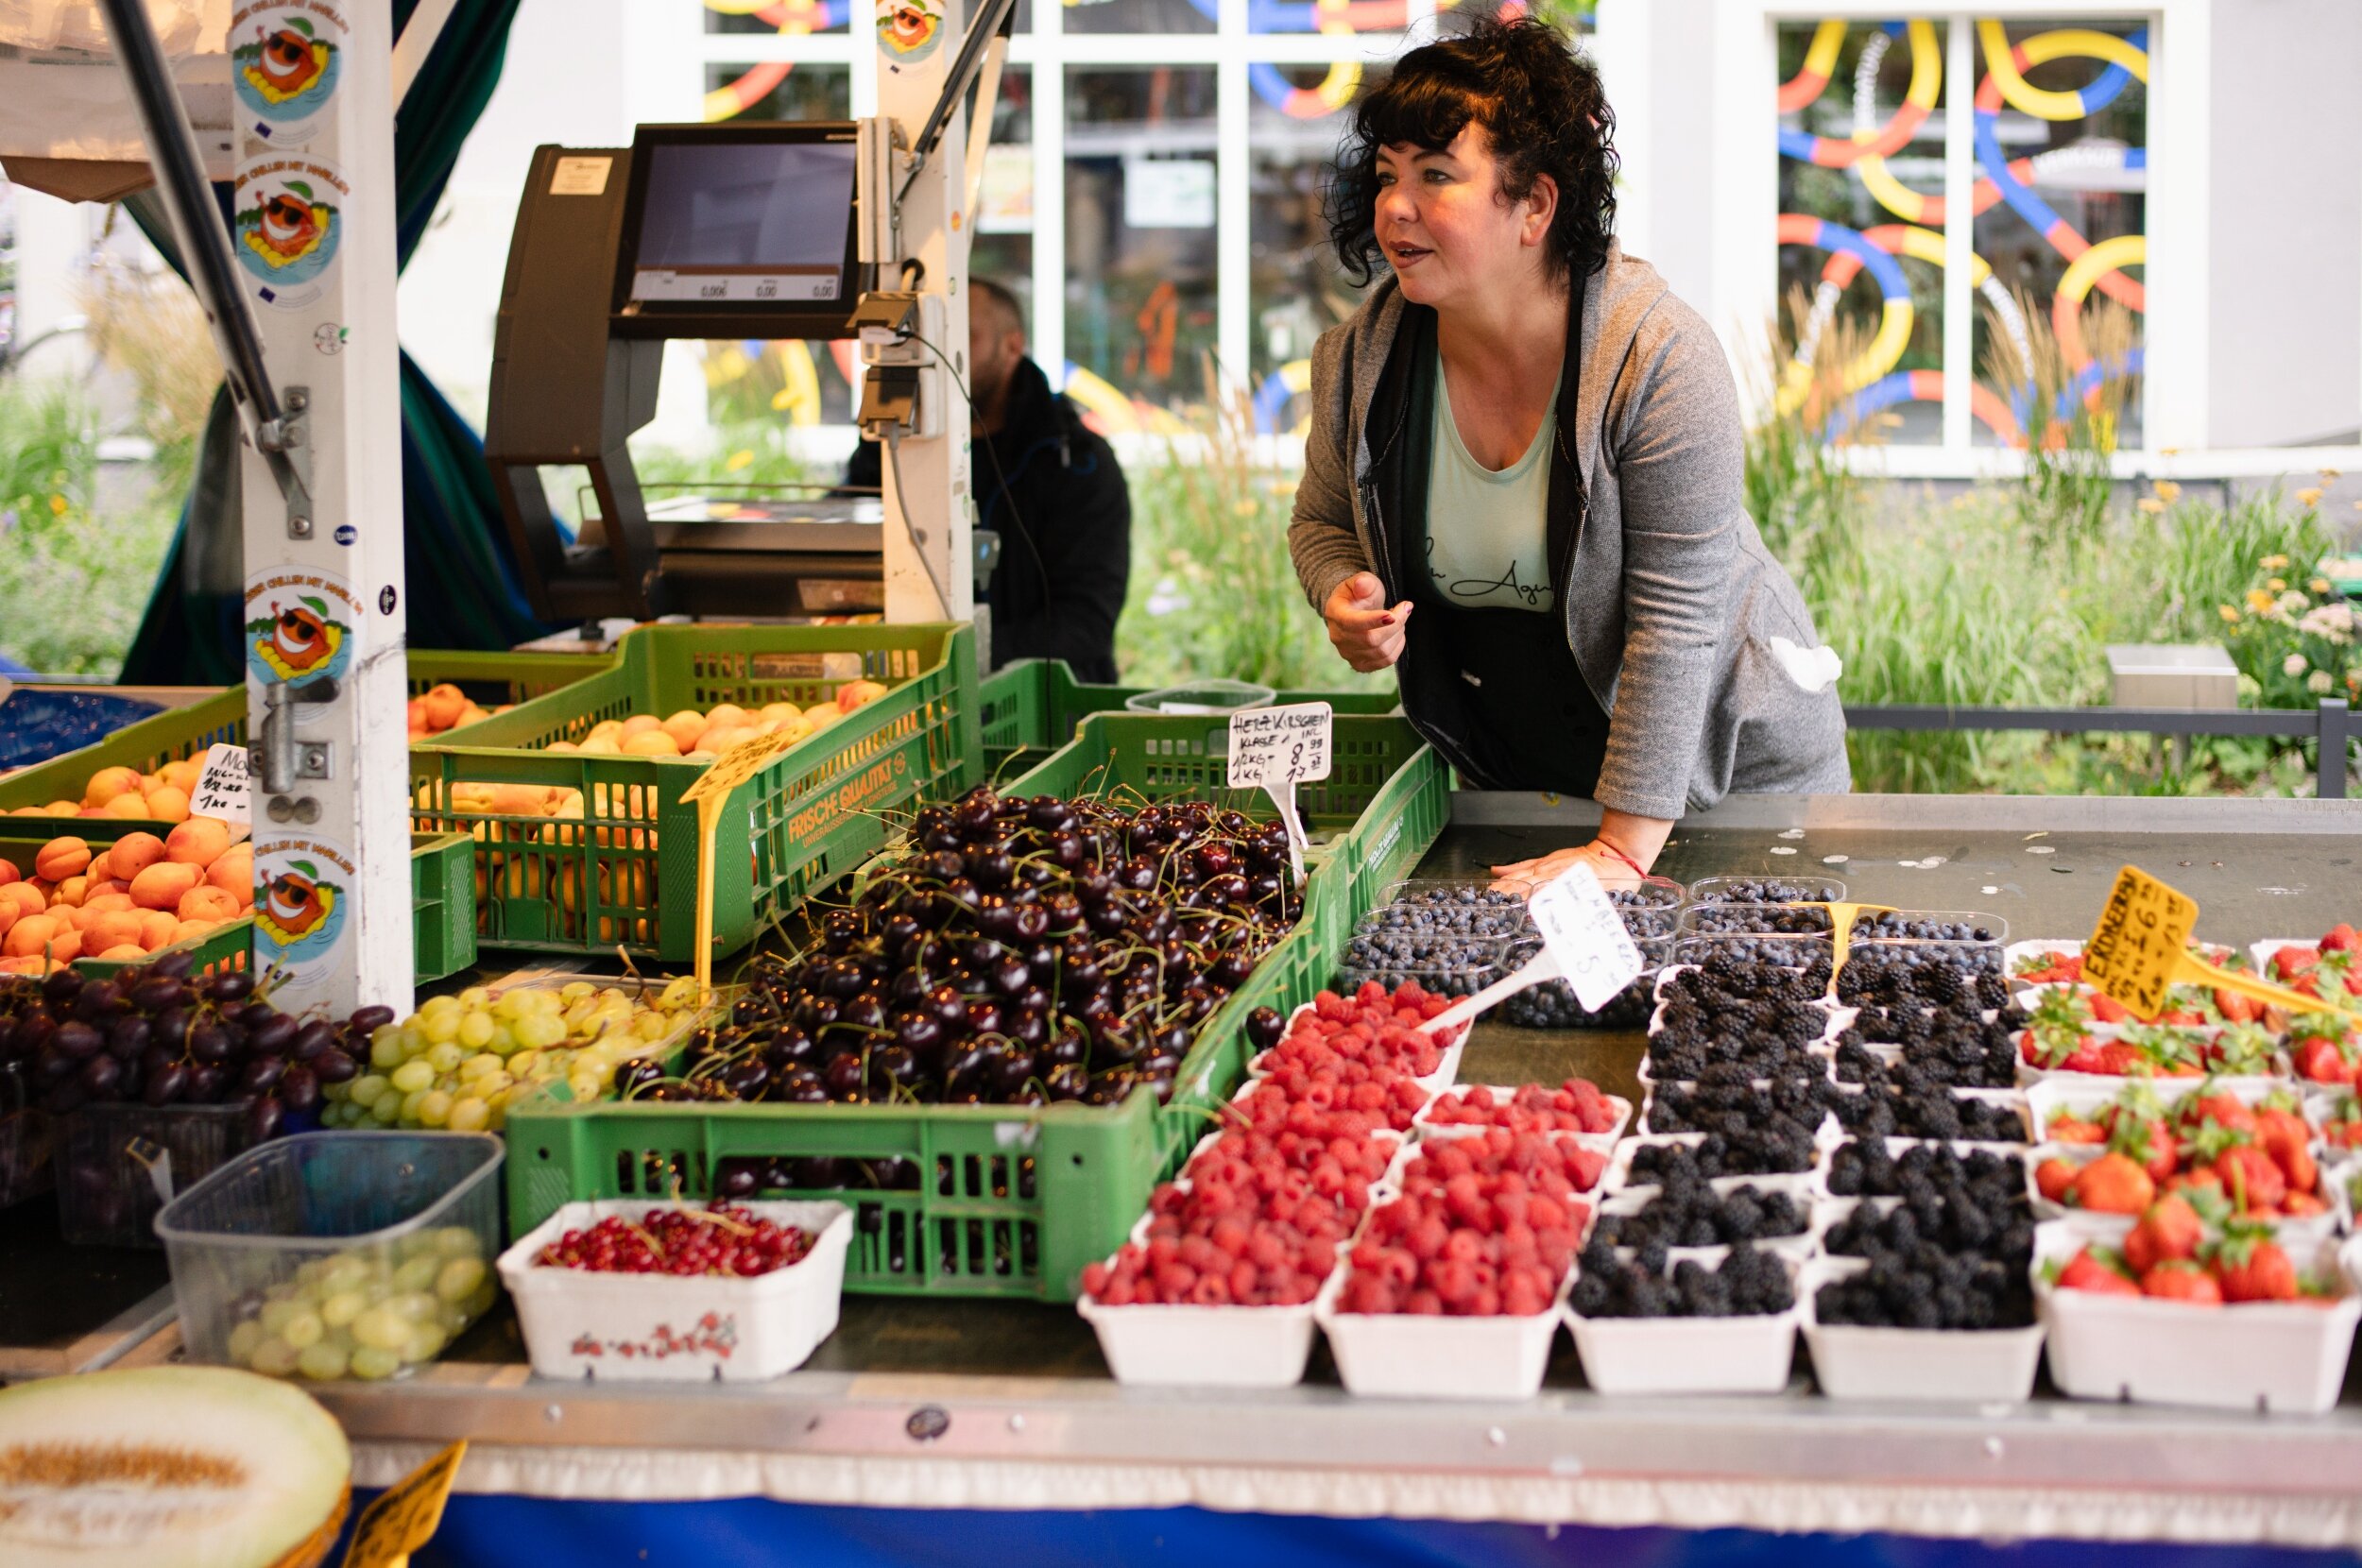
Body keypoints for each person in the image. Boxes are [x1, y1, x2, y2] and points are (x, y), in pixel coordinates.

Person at [1288, 18, 1850, 891]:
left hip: (1725, 786)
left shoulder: (1657, 357)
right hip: (1523, 783)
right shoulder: (1359, 364)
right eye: (1388, 175)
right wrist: (1342, 593)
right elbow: (1322, 520)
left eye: (1436, 176)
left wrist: (1619, 852)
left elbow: (1675, 625)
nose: (1394, 206)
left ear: (1535, 205)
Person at [845, 278, 1132, 682]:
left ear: (1012, 346)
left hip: (1046, 713)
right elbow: (846, 555)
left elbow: (1084, 625)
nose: (944, 355)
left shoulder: (1077, 463)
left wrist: (948, 658)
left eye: (964, 337)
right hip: (909, 700)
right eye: (934, 339)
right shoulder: (891, 446)